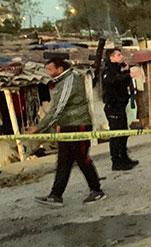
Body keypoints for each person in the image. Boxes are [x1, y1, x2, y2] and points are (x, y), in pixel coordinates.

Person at [32, 58, 106, 207]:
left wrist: (39, 127)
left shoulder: (69, 81)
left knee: (82, 159)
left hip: (78, 125)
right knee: (64, 161)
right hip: (67, 126)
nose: (48, 73)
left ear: (60, 69)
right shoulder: (62, 82)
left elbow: (58, 108)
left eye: (50, 69)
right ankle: (56, 195)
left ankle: (96, 190)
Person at [102, 48, 138, 171]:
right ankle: (116, 161)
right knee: (116, 134)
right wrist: (127, 74)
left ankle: (124, 157)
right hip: (113, 106)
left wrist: (126, 71)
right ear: (111, 57)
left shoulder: (118, 69)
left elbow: (124, 83)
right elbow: (112, 81)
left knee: (123, 133)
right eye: (118, 55)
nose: (121, 56)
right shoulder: (108, 70)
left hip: (121, 105)